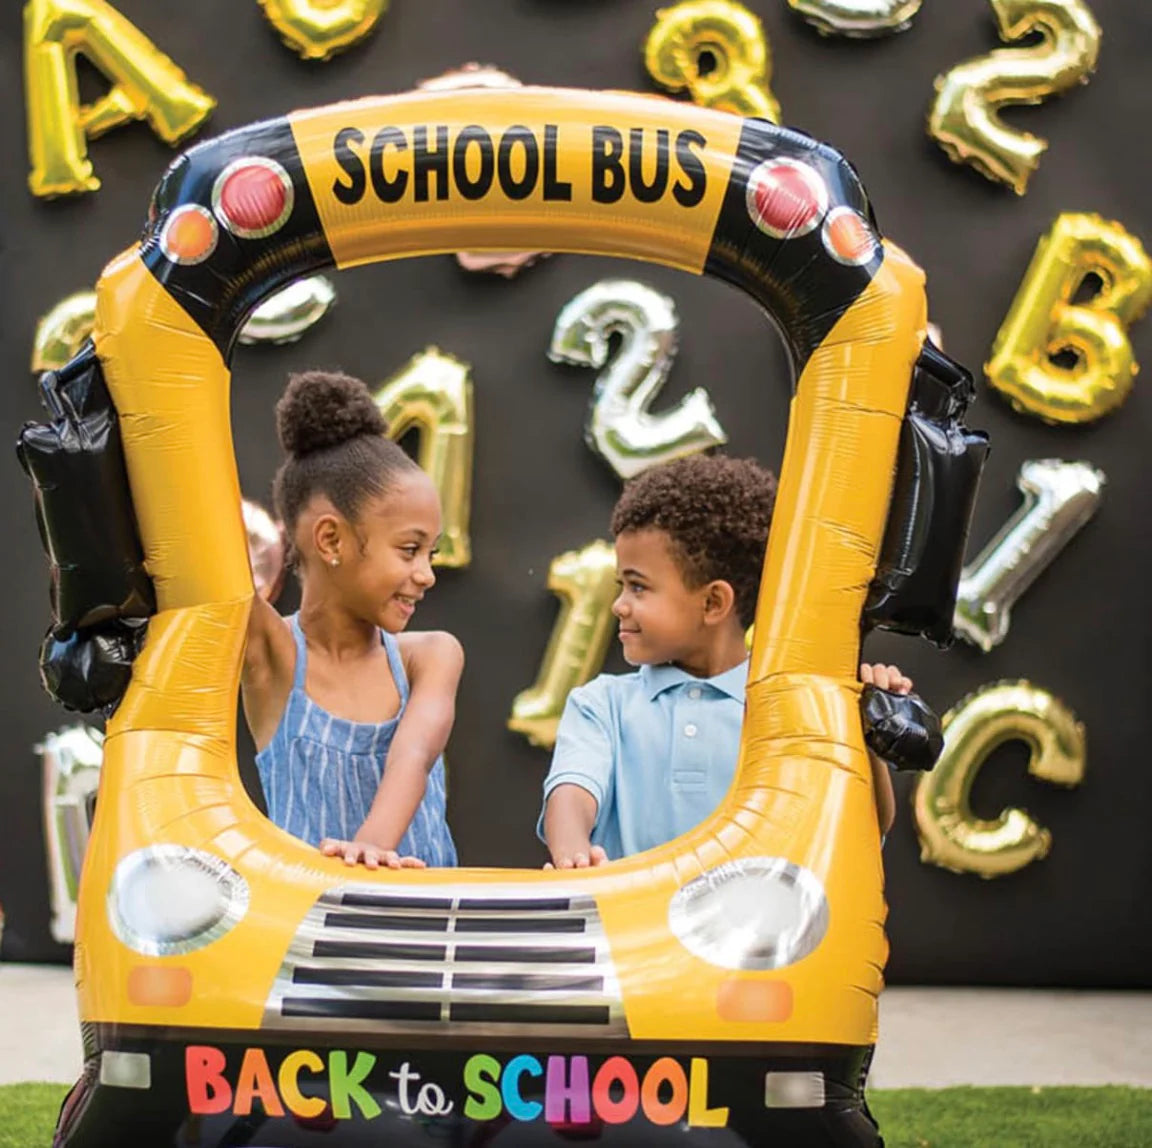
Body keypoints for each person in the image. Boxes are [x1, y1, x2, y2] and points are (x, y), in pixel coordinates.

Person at [540, 453, 909, 869]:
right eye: (620, 585)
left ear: (714, 602)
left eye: (638, 588)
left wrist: (867, 733)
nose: (619, 606)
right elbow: (571, 796)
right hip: (628, 932)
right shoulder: (600, 704)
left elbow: (864, 828)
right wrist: (574, 858)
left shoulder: (794, 708)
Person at [242, 370, 461, 870]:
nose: (426, 574)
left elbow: (413, 754)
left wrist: (372, 845)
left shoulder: (431, 656)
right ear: (331, 541)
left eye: (431, 552)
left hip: (431, 936)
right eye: (409, 550)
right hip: (311, 941)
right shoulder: (272, 655)